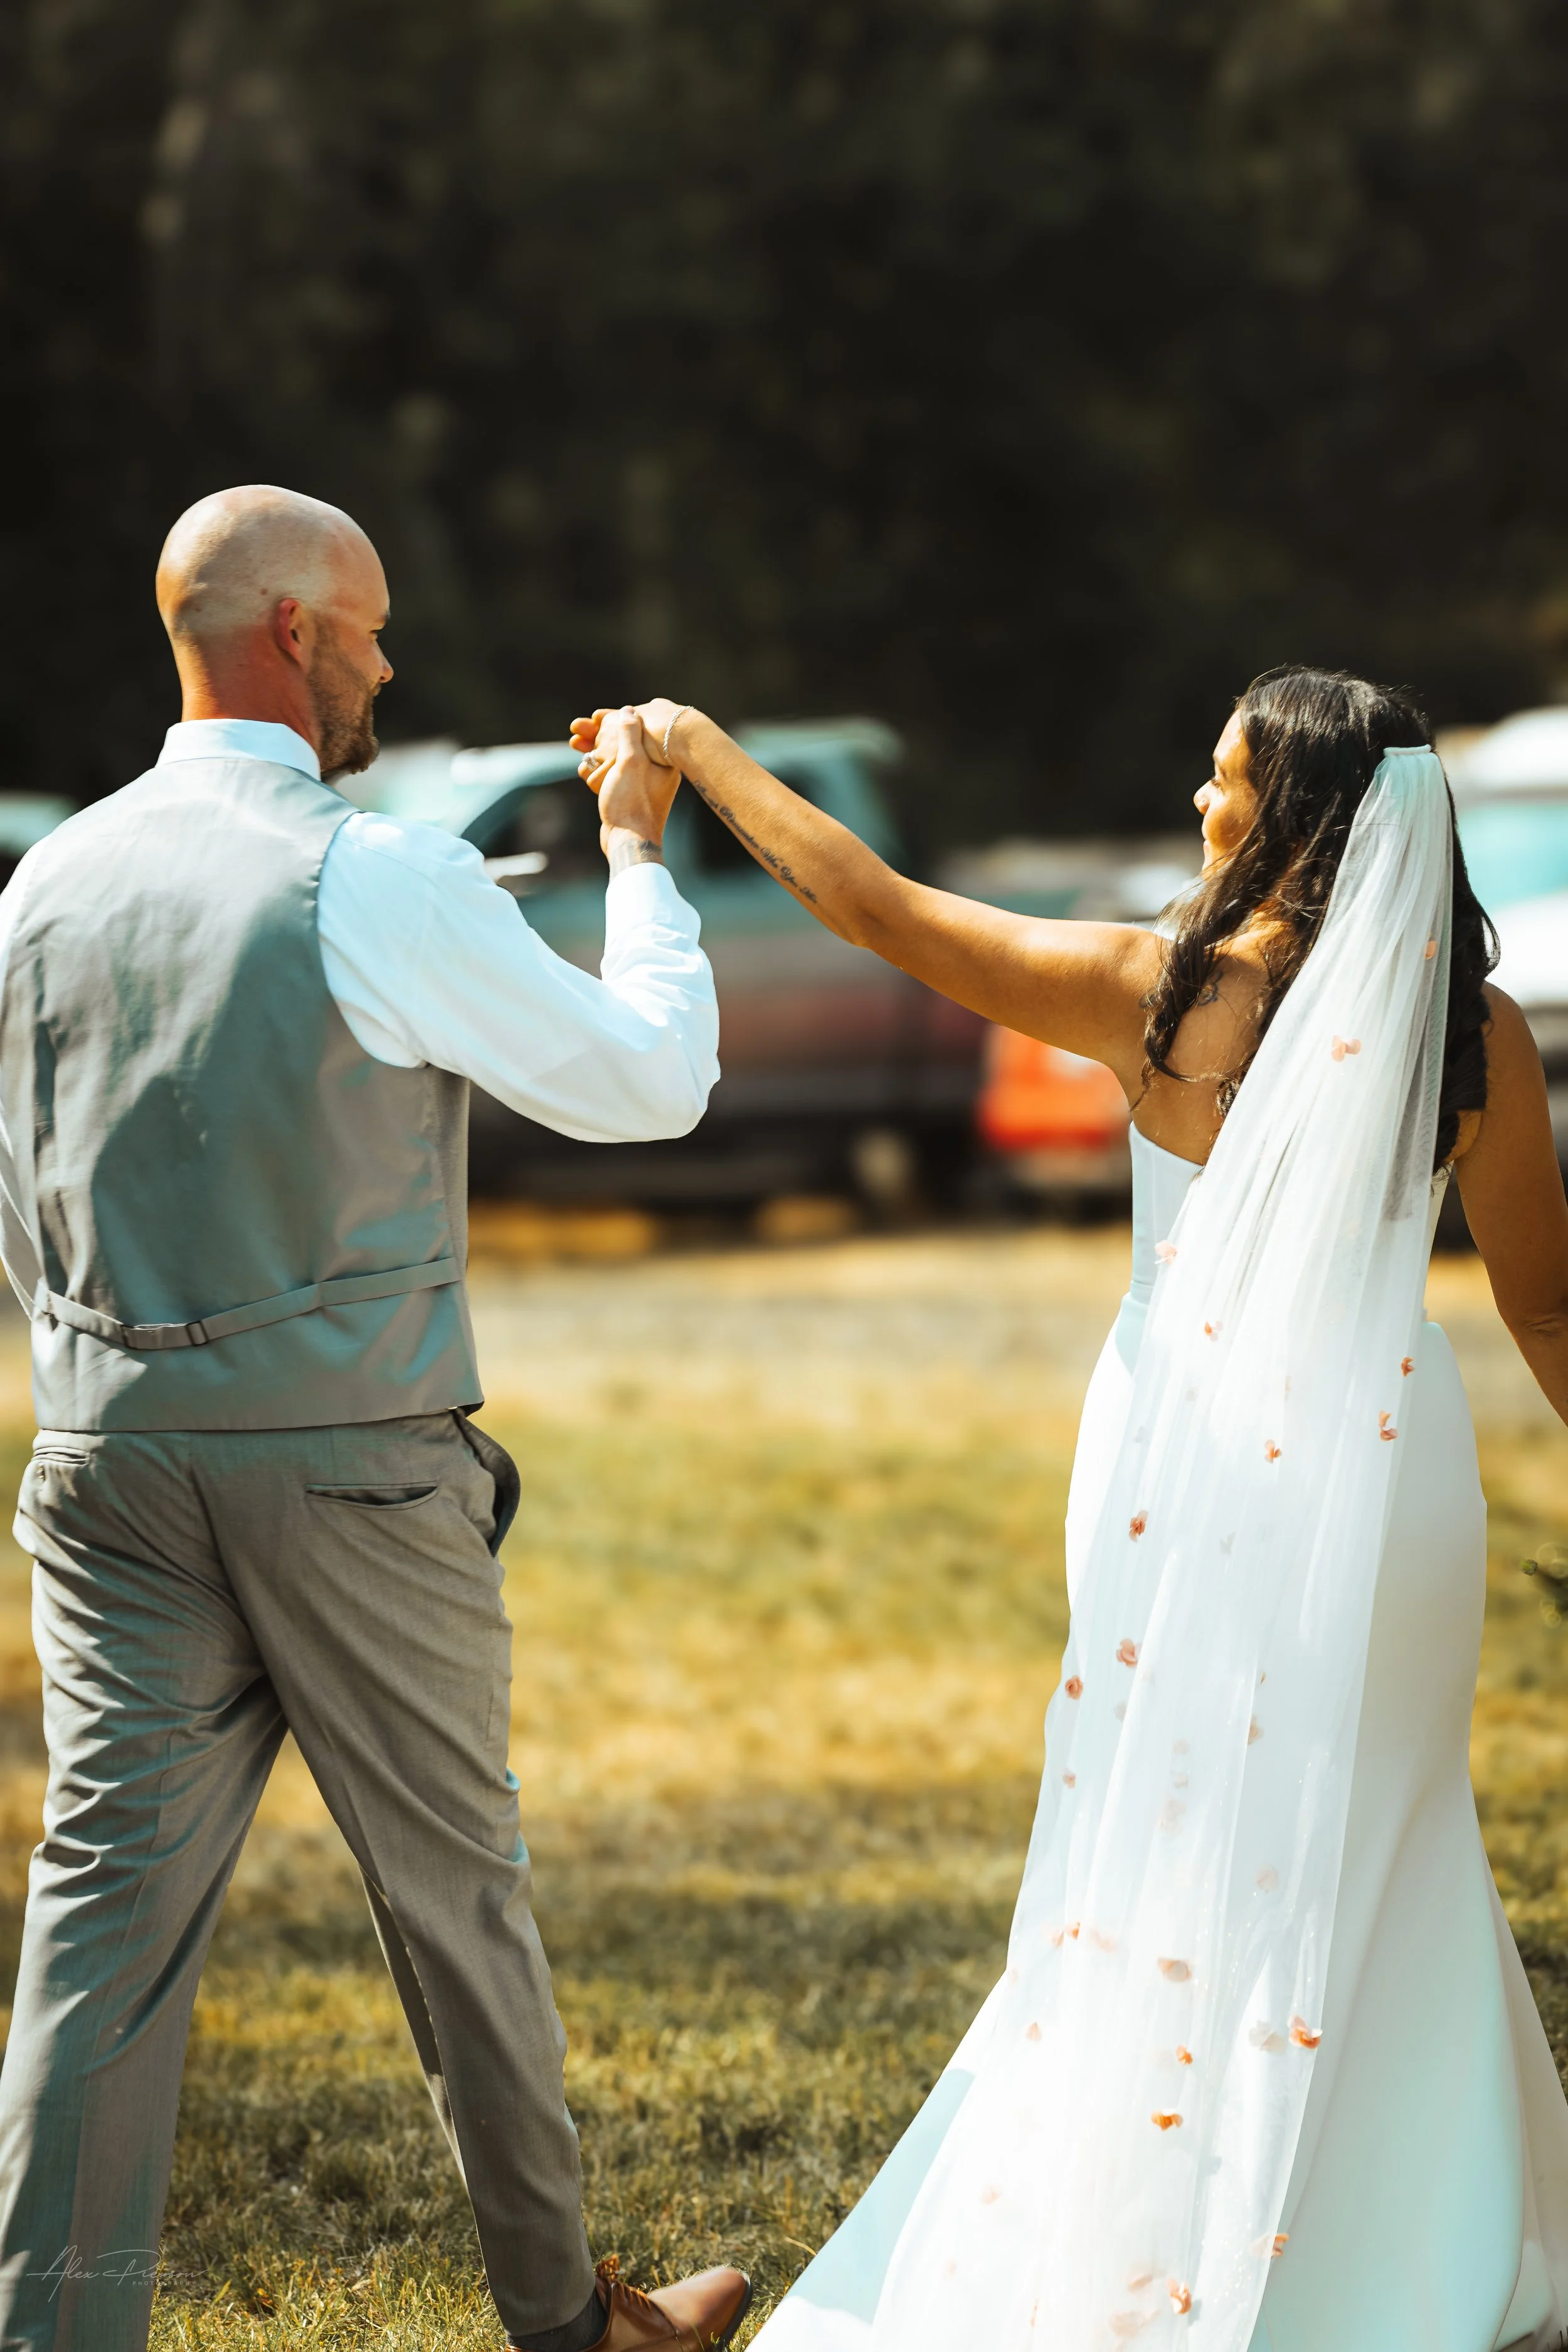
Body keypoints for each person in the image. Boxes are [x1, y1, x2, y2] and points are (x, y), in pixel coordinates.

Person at [575, 677, 1568, 2352]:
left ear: (1295, 822)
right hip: (1392, 1488)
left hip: (1180, 1469)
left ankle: (1160, 2240)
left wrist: (688, 747)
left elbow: (872, 908)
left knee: (1164, 1847)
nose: (1196, 800)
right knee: (1383, 1832)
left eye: (1223, 778)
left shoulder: (1153, 993)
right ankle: (1418, 2239)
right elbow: (1546, 1313)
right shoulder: (1472, 1039)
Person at [0, 487, 751, 2352]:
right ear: (297, 637)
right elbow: (647, 1084)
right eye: (375, 628)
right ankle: (570, 2324)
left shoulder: (45, 880)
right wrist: (637, 855)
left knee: (98, 1919)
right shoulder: (375, 870)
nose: (391, 662)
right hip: (346, 1461)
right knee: (452, 1897)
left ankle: (52, 2329)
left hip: (102, 1454)